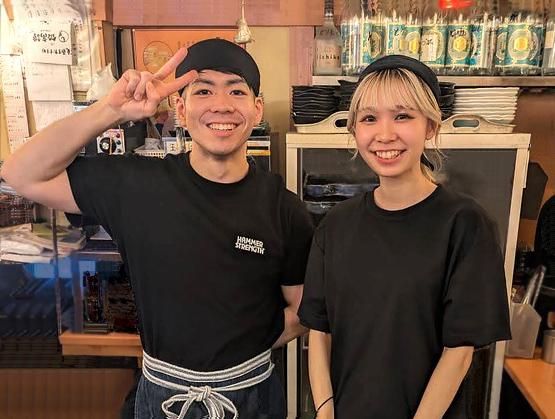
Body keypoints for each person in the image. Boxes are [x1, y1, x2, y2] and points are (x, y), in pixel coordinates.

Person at [1, 39, 313, 418]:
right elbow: (20, 173)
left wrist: (241, 344)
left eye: (236, 91)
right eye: (203, 91)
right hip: (162, 396)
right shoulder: (137, 185)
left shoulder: (284, 209)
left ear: (256, 108)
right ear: (180, 109)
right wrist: (110, 110)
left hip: (251, 397)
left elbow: (303, 310)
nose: (221, 105)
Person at [297, 55, 511, 419]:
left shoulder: (464, 224)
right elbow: (319, 330)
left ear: (430, 126)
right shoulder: (336, 226)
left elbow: (459, 352)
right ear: (354, 130)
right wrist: (325, 410)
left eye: (402, 116)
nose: (384, 134)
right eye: (369, 118)